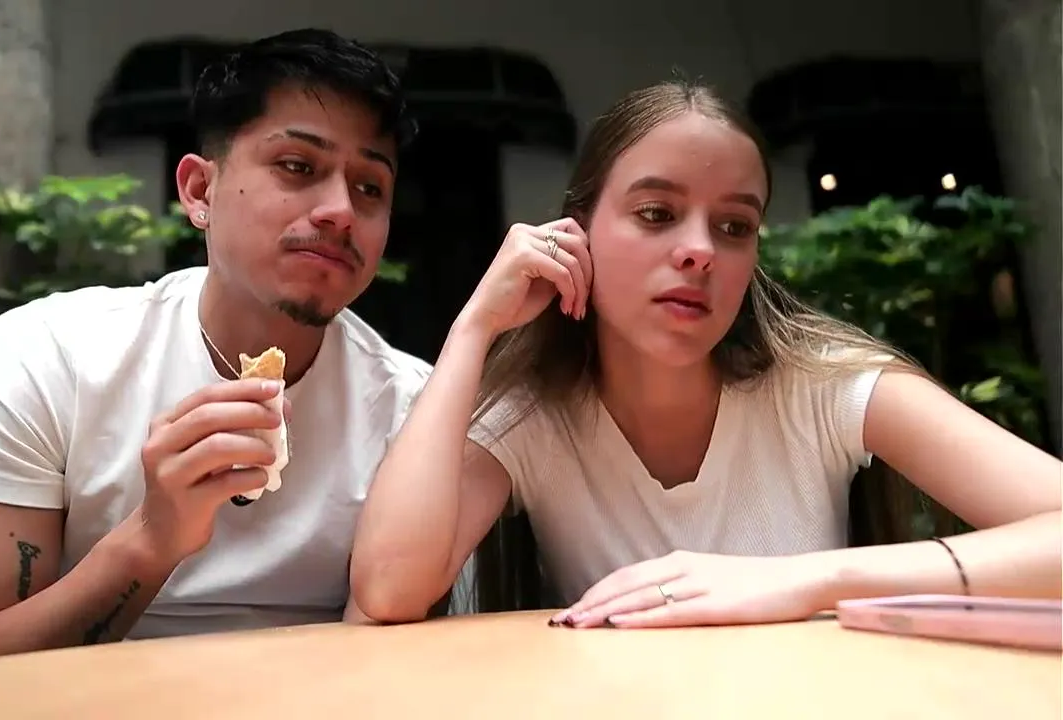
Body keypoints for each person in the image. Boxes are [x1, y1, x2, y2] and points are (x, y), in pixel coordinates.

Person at [349, 80, 1063, 630]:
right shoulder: (536, 415)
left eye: (734, 226)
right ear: (577, 229)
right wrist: (474, 328)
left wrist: (810, 579)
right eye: (656, 214)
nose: (699, 251)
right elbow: (386, 590)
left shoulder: (823, 385)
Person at [0, 28, 432, 663]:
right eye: (298, 166)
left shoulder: (413, 409)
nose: (341, 210)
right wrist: (152, 537)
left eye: (369, 187)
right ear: (198, 191)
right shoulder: (48, 357)